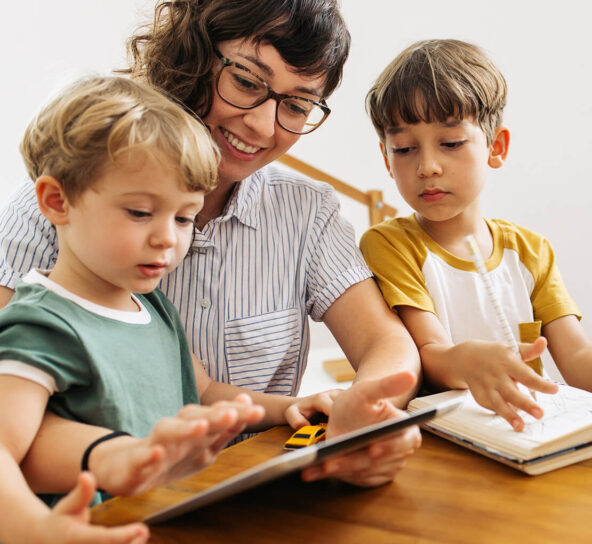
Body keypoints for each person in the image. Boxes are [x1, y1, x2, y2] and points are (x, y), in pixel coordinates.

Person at [0, 0, 421, 486]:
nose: (263, 126)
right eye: (245, 81)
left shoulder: (306, 211)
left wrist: (360, 410)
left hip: (256, 497)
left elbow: (386, 343)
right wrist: (118, 459)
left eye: (298, 106)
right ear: (192, 56)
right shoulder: (60, 207)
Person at [0, 75, 290, 544]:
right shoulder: (40, 322)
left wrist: (289, 410)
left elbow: (200, 389)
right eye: (140, 212)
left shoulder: (151, 307)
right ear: (56, 202)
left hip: (152, 541)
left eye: (184, 219)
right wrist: (39, 536)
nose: (167, 240)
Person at [360, 40, 592, 431]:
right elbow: (431, 351)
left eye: (450, 143)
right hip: (440, 444)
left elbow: (577, 353)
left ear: (496, 147)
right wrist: (467, 362)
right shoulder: (389, 245)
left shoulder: (530, 251)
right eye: (404, 149)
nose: (427, 166)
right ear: (386, 158)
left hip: (527, 435)